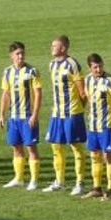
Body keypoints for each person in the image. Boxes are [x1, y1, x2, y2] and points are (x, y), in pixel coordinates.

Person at [44, 35, 88, 195]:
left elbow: (83, 92)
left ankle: (80, 182)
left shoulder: (72, 64)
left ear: (63, 48)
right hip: (57, 114)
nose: (51, 48)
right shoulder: (51, 65)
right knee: (56, 146)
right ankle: (59, 181)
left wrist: (79, 110)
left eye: (54, 46)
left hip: (72, 113)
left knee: (76, 147)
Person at [0, 41, 42, 190]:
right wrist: (1, 115)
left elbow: (38, 94)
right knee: (16, 147)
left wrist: (35, 115)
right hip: (13, 117)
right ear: (11, 56)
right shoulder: (7, 72)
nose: (21, 56)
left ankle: (34, 180)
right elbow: (5, 94)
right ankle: (19, 178)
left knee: (31, 147)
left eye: (22, 53)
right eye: (17, 54)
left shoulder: (32, 71)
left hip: (28, 116)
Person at [82, 53, 111, 199]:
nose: (98, 69)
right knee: (94, 155)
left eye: (100, 66)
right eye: (95, 67)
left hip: (107, 125)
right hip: (93, 125)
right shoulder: (87, 80)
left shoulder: (110, 80)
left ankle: (110, 190)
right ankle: (96, 187)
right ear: (90, 68)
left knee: (107, 155)